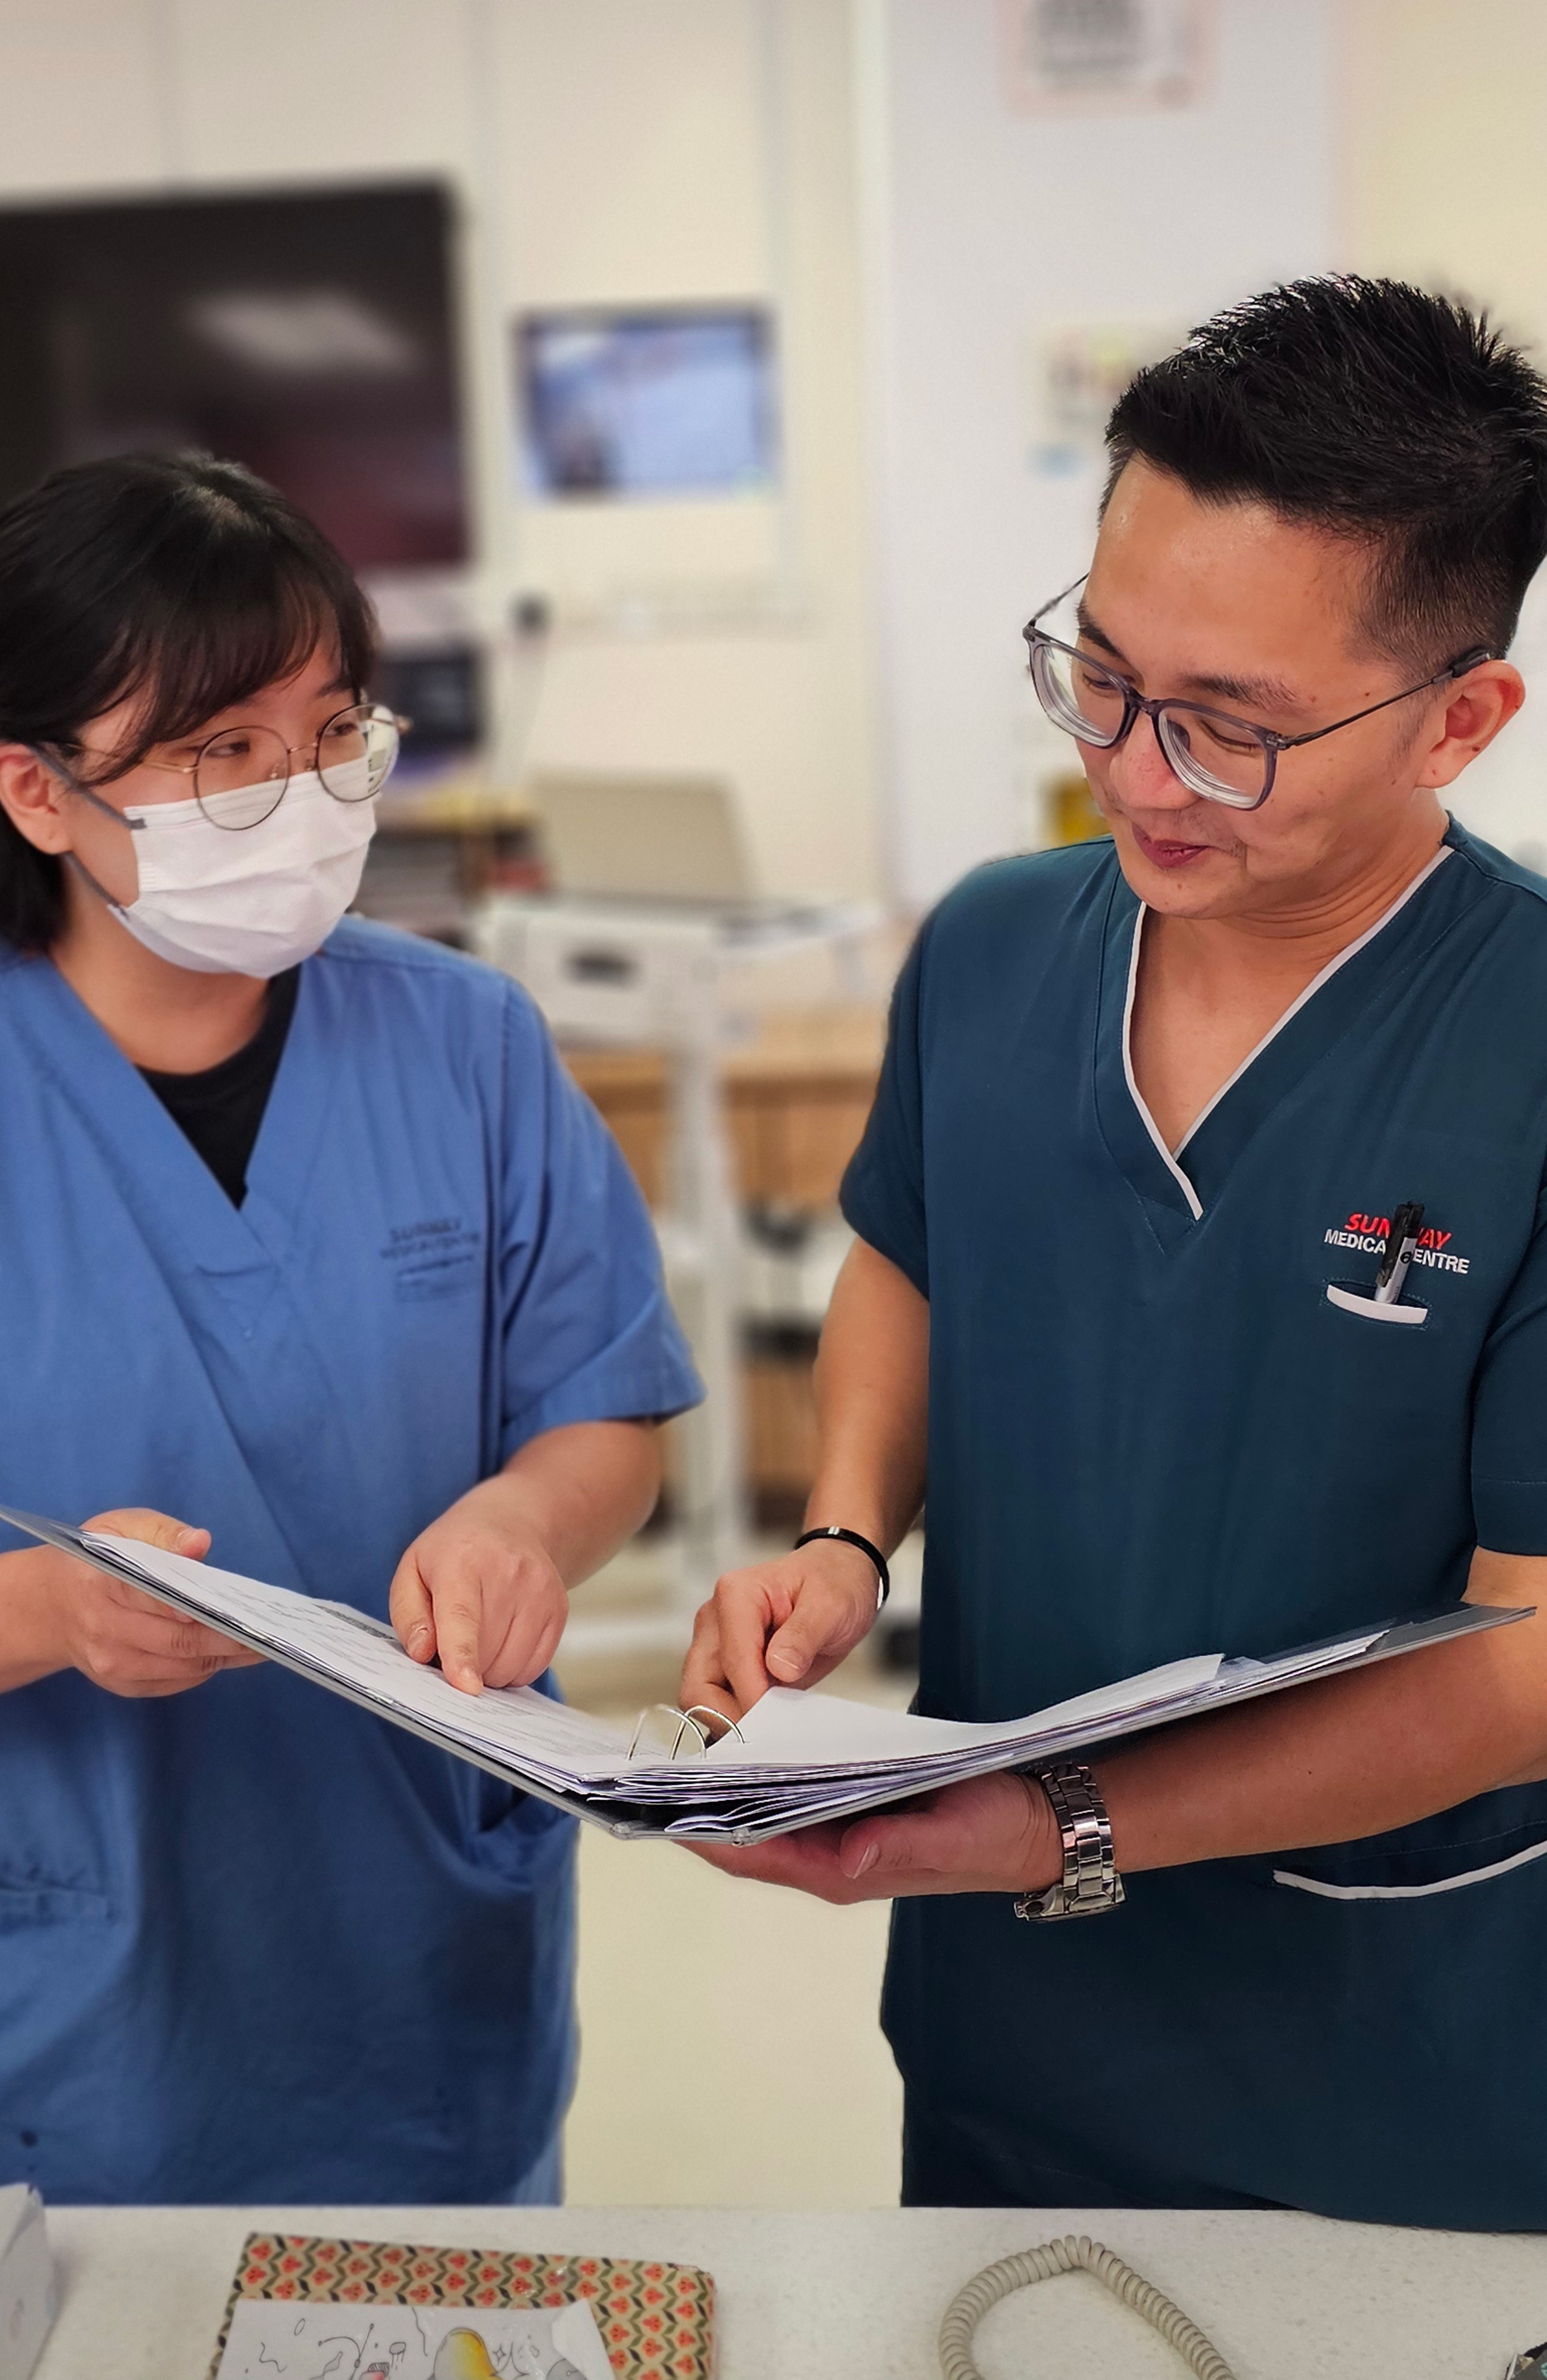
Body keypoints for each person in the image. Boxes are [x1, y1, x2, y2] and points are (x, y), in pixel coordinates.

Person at [682, 278, 1547, 2228]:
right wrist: (839, 1539)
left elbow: (1524, 1665)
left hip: (1389, 2050)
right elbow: (912, 1256)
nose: (1136, 771)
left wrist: (1048, 1822)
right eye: (1101, 674)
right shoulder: (993, 949)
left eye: (1232, 728)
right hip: (1012, 2022)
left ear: (1461, 720)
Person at [0, 451, 701, 2204]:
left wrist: (524, 1518)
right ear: (37, 791)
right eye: (222, 751)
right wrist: (56, 1610)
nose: (300, 794)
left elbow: (605, 1411)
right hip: (79, 1966)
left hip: (419, 1953)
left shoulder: (463, 1046)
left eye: (332, 732)